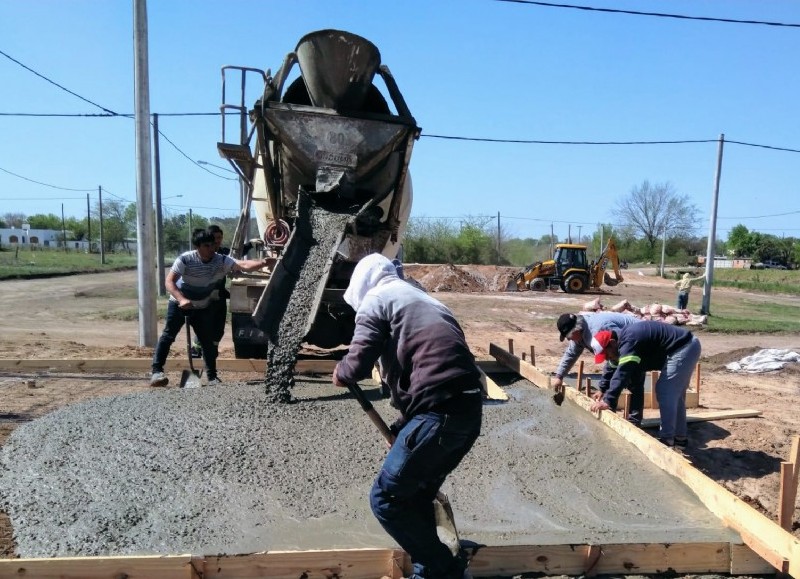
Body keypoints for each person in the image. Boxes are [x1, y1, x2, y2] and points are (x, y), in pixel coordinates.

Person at [332, 253, 482, 579]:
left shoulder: (377, 298)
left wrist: (341, 371)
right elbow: (433, 375)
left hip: (438, 414)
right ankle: (429, 572)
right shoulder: (426, 301)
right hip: (468, 413)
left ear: (362, 284)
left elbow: (357, 363)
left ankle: (447, 566)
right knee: (416, 496)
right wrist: (404, 429)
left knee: (386, 499)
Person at [149, 228, 269, 387]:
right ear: (197, 246)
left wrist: (264, 262)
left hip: (202, 306)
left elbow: (243, 264)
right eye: (207, 246)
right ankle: (157, 372)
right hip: (179, 304)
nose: (211, 249)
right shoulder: (185, 260)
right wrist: (182, 299)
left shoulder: (220, 260)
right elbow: (169, 282)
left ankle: (212, 377)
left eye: (213, 245)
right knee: (168, 335)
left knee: (207, 341)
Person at [589, 321, 702, 448]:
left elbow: (623, 371)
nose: (607, 358)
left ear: (612, 343)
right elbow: (612, 366)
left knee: (665, 391)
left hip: (683, 347)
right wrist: (602, 389)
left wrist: (608, 401)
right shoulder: (618, 346)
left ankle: (666, 440)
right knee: (675, 395)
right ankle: (679, 438)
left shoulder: (629, 340)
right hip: (685, 346)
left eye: (607, 355)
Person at [551, 312, 641, 390]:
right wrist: (559, 376)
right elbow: (571, 354)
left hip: (640, 338)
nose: (569, 340)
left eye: (569, 337)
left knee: (633, 378)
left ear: (576, 330)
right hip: (625, 347)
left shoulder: (599, 329)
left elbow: (623, 345)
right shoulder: (578, 335)